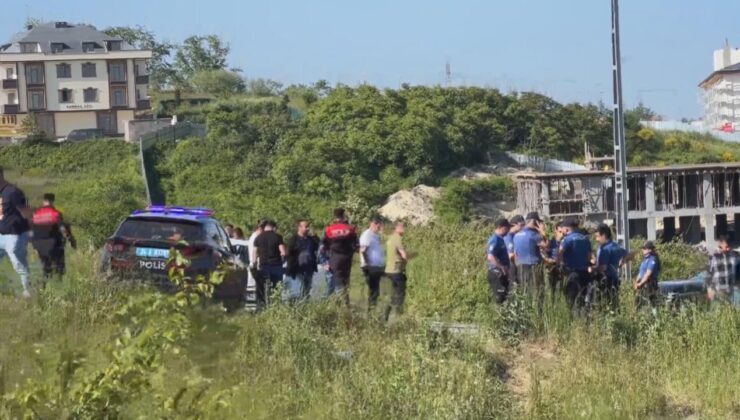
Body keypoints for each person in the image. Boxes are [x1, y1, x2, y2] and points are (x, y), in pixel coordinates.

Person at [0, 167, 32, 297]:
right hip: (1, 234)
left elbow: (26, 212)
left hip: (14, 235)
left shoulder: (13, 192)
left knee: (19, 265)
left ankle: (28, 293)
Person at [30, 193, 76, 283]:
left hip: (38, 244)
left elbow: (30, 230)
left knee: (46, 266)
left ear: (44, 201)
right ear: (52, 201)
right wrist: (71, 240)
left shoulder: (36, 214)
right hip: (53, 243)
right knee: (59, 266)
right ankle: (59, 283)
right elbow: (63, 229)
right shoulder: (55, 213)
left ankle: (44, 285)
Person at [323, 208, 358, 305]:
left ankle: (336, 305)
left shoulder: (329, 229)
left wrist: (325, 261)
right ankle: (346, 305)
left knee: (336, 282)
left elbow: (324, 246)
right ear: (343, 216)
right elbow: (356, 245)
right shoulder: (350, 229)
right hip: (347, 259)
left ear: (334, 217)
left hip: (334, 258)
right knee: (345, 282)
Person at [513, 212, 548, 304]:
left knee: (525, 290)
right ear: (535, 222)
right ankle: (538, 312)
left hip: (520, 266)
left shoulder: (517, 235)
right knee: (537, 290)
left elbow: (515, 253)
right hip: (533, 266)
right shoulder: (533, 235)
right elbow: (546, 246)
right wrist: (543, 232)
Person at [559, 218, 593, 311]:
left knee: (571, 299)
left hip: (572, 272)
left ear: (566, 229)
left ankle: (573, 320)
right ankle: (583, 319)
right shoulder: (585, 239)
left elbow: (560, 253)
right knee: (582, 298)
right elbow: (589, 256)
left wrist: (561, 265)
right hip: (585, 273)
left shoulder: (566, 240)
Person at [594, 223, 628, 310]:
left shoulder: (605, 249)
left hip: (605, 280)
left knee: (603, 304)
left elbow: (603, 267)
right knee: (614, 303)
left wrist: (592, 269)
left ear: (604, 235)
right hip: (614, 280)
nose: (596, 239)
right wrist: (622, 262)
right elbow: (630, 254)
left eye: (597, 236)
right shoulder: (615, 246)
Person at [253, 220, 286, 306]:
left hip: (263, 265)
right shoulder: (278, 237)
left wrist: (254, 263)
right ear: (274, 227)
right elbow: (283, 251)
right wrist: (283, 259)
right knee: (277, 286)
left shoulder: (258, 237)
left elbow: (255, 252)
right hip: (276, 265)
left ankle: (262, 305)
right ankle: (276, 305)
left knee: (261, 287)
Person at [286, 219, 319, 299]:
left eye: (308, 226)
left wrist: (314, 235)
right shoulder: (293, 239)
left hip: (309, 269)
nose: (308, 228)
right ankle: (297, 308)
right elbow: (289, 253)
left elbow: (317, 246)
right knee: (298, 292)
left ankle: (306, 308)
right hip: (297, 270)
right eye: (306, 226)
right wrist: (291, 267)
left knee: (307, 291)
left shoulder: (311, 239)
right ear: (299, 227)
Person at [705, 235, 739, 307]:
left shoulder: (735, 255)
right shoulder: (713, 257)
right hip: (718, 290)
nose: (725, 250)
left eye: (727, 247)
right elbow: (708, 275)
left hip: (732, 289)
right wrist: (710, 290)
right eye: (721, 248)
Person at [384, 220, 408, 320]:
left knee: (393, 294)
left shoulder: (390, 238)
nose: (404, 229)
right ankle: (399, 316)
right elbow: (404, 254)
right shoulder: (398, 238)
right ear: (396, 228)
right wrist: (406, 260)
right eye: (402, 227)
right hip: (396, 270)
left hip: (388, 270)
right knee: (400, 294)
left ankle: (386, 314)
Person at [360, 216, 385, 309]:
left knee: (376, 290)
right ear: (374, 224)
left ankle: (373, 310)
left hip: (376, 267)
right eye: (379, 226)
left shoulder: (375, 235)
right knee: (373, 291)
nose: (380, 228)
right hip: (371, 267)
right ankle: (371, 313)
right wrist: (367, 264)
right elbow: (363, 250)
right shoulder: (367, 235)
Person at [486, 218, 511, 304]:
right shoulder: (495, 239)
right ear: (501, 227)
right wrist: (501, 267)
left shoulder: (500, 239)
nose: (508, 231)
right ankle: (498, 315)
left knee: (504, 296)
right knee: (499, 297)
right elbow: (490, 256)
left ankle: (503, 315)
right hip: (496, 273)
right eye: (507, 228)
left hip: (501, 272)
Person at [634, 241, 661, 312]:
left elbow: (648, 274)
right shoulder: (645, 260)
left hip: (650, 284)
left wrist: (640, 284)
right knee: (638, 303)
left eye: (644, 248)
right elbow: (641, 273)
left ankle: (657, 320)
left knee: (653, 304)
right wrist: (636, 282)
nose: (642, 250)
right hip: (642, 285)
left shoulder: (653, 259)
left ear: (649, 250)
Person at [544, 222, 565, 299]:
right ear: (555, 231)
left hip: (563, 268)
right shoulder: (550, 242)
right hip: (552, 268)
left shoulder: (566, 242)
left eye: (563, 232)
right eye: (560, 232)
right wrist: (549, 260)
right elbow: (545, 254)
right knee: (552, 289)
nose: (562, 234)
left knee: (561, 289)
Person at [505, 215, 525, 286]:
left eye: (524, 225)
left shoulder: (516, 235)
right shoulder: (508, 237)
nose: (523, 227)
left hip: (516, 264)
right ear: (514, 225)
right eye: (521, 225)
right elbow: (511, 255)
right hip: (511, 265)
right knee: (513, 287)